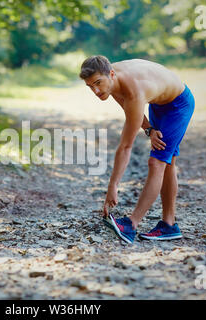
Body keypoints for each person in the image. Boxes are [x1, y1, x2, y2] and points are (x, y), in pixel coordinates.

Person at [79, 55, 195, 243]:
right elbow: (128, 107)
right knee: (168, 162)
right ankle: (169, 224)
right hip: (158, 105)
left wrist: (113, 186)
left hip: (177, 105)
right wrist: (149, 129)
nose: (96, 90)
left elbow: (125, 146)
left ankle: (131, 224)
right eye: (90, 86)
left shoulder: (134, 91)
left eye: (98, 83)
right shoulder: (112, 83)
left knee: (156, 162)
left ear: (112, 74)